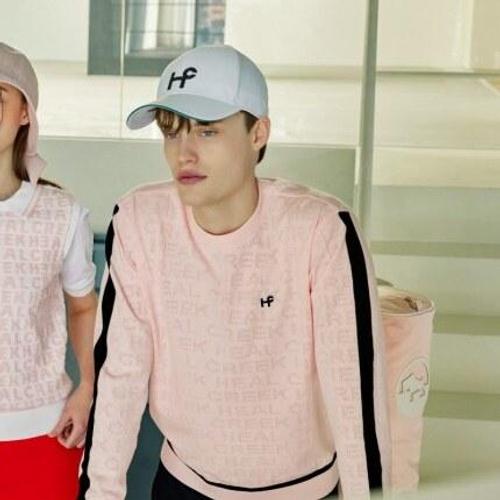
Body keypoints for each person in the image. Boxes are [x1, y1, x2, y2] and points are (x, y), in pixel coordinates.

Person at [79, 45, 392, 499]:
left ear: (258, 132)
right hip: (183, 483)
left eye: (207, 131)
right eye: (171, 132)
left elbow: (355, 398)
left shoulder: (320, 229)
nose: (184, 153)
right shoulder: (139, 221)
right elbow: (119, 377)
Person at [0, 42, 97, 498]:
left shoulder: (62, 214)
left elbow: (83, 308)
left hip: (43, 433)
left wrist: (87, 388)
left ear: (25, 113)